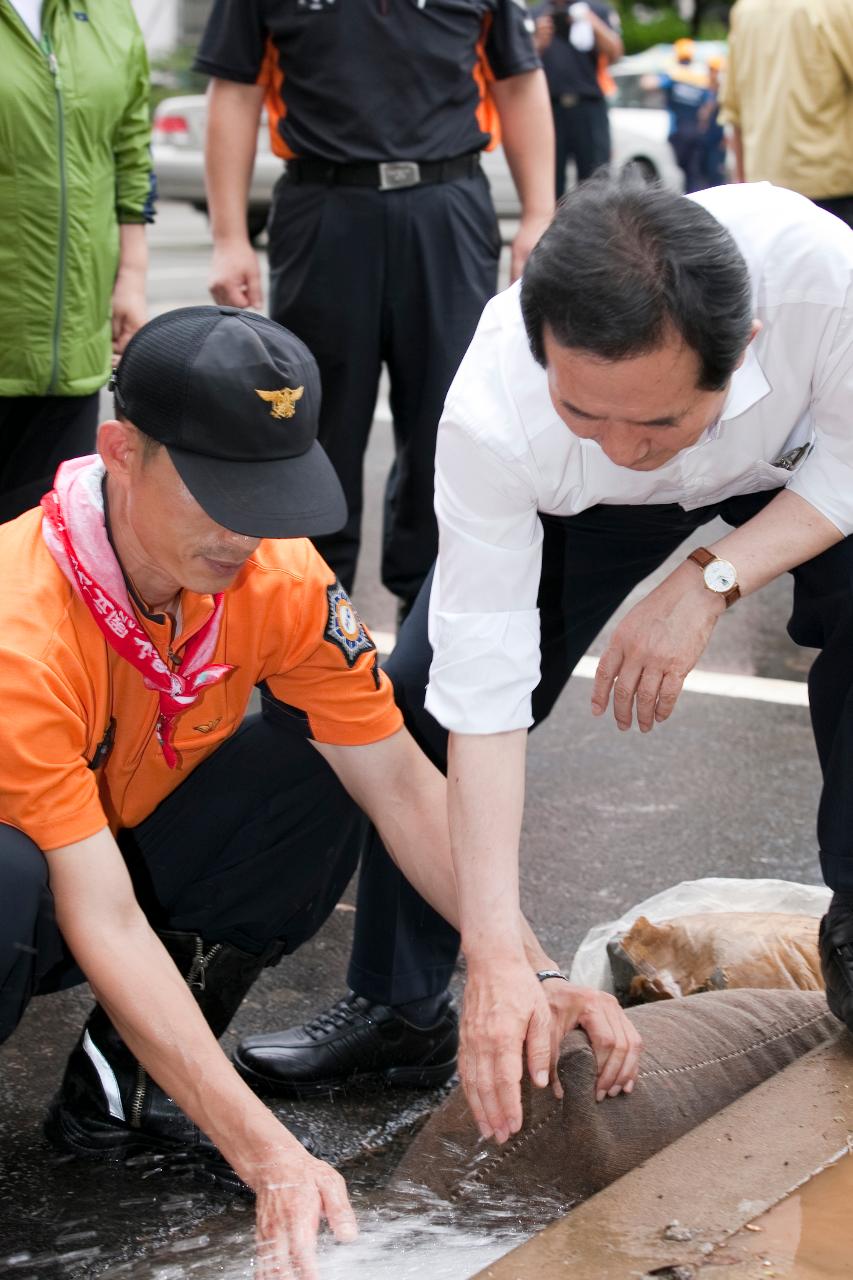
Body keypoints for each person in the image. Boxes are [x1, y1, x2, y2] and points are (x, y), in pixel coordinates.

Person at [0, 305, 639, 1276]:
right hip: (37, 889)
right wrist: (267, 1152)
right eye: (216, 491)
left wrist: (529, 968)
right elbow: (105, 917)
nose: (242, 533)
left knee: (313, 773)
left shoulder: (271, 575)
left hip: (100, 851)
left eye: (269, 494)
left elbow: (399, 785)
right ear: (120, 450)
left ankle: (122, 1091)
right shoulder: (21, 625)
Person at [242, 176, 853, 1137]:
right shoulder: (494, 410)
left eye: (653, 420)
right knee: (412, 694)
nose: (625, 446)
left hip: (795, 470)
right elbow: (482, 691)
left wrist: (710, 577)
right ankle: (402, 1006)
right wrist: (498, 954)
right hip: (578, 512)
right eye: (585, 413)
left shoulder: (822, 277)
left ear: (741, 351)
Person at [195, 0, 554, 624]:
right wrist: (229, 236)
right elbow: (234, 89)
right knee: (313, 422)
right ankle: (306, 617)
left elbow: (518, 80)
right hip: (324, 206)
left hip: (448, 205)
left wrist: (539, 215)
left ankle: (433, 618)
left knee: (450, 418)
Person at [0, 0, 153, 524]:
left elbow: (130, 149)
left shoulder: (109, 12)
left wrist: (131, 276)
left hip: (74, 350)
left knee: (41, 550)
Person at [721, 0, 853, 229]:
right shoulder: (836, 5)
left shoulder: (745, 10)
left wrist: (742, 187)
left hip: (764, 192)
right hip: (831, 188)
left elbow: (733, 109)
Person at [533, 0, 624, 198]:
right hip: (549, 107)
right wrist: (537, 42)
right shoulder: (537, 13)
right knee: (548, 185)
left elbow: (616, 53)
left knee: (596, 184)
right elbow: (519, 61)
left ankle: (596, 229)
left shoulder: (596, 9)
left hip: (588, 106)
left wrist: (590, 20)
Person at [645, 38, 713, 194]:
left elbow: (648, 84)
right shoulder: (699, 78)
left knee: (673, 172)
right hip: (696, 132)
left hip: (677, 132)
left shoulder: (672, 75)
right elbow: (707, 107)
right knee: (693, 174)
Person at [699, 54, 727, 188]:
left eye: (715, 71)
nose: (712, 74)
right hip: (705, 140)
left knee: (716, 176)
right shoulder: (705, 90)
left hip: (718, 141)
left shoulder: (723, 93)